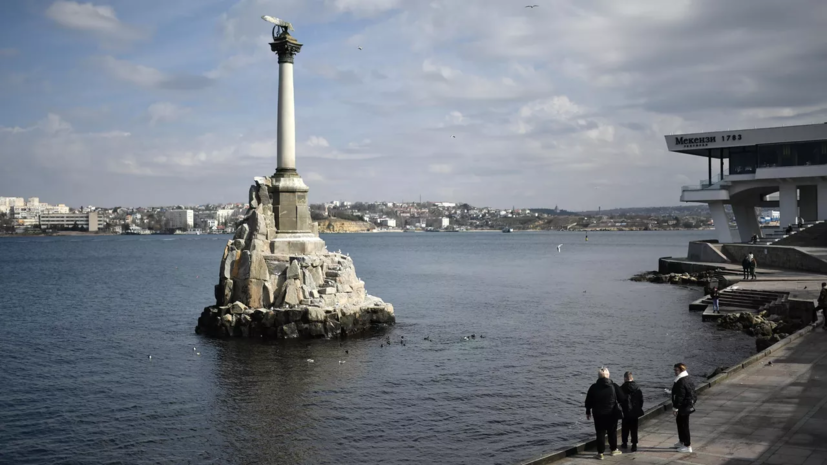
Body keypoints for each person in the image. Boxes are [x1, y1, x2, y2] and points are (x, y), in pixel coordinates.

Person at [585, 367, 627, 460]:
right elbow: (622, 399)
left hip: (598, 414)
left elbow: (588, 401)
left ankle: (600, 453)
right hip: (611, 413)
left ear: (598, 376)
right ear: (608, 376)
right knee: (612, 432)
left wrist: (588, 411)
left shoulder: (593, 387)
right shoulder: (614, 386)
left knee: (600, 433)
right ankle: (613, 450)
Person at [671, 363, 696, 453]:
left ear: (681, 370)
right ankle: (682, 441)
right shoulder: (687, 378)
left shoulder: (681, 381)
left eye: (676, 370)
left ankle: (687, 445)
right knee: (680, 423)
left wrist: (675, 408)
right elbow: (693, 391)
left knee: (684, 425)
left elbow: (680, 396)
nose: (674, 372)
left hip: (683, 406)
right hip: (687, 405)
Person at [620, 372, 644, 452]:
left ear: (625, 378)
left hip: (626, 411)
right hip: (635, 412)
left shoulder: (622, 388)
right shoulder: (637, 388)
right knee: (634, 429)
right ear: (632, 378)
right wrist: (638, 408)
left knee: (625, 428)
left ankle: (624, 443)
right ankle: (634, 444)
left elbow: (620, 400)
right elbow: (641, 400)